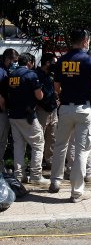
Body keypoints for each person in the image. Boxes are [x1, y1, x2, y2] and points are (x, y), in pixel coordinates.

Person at [49, 29, 91, 203]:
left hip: (65, 109)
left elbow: (57, 88)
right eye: (89, 40)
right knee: (82, 151)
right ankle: (76, 193)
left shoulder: (62, 60)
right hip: (83, 110)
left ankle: (55, 182)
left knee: (60, 146)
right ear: (84, 41)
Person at [8, 53, 48, 184]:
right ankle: (36, 175)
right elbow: (39, 96)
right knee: (38, 143)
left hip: (13, 115)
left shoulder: (12, 75)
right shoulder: (31, 75)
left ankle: (19, 176)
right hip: (27, 116)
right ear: (30, 62)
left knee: (18, 145)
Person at [35, 53, 58, 169]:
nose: (55, 65)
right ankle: (37, 165)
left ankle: (50, 162)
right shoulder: (37, 74)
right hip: (42, 111)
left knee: (52, 138)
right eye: (53, 62)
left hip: (53, 111)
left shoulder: (51, 75)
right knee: (39, 138)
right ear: (47, 63)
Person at [0, 48, 19, 172]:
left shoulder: (4, 69)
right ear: (8, 59)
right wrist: (3, 109)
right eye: (15, 61)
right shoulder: (1, 71)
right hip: (1, 112)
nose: (16, 63)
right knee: (2, 140)